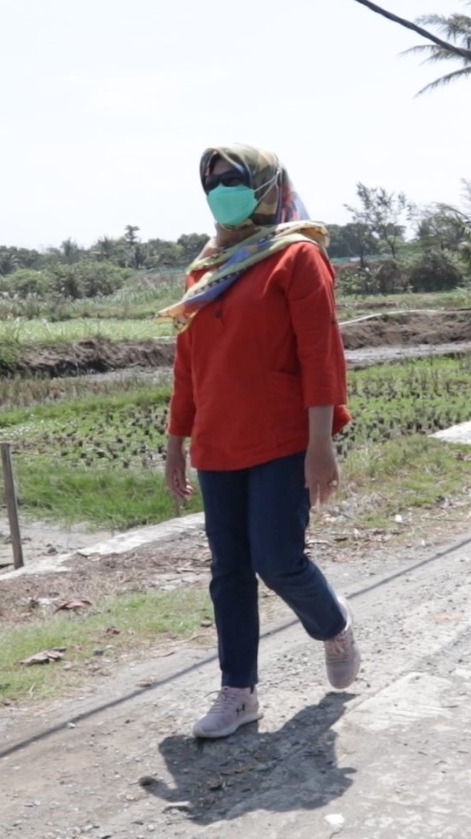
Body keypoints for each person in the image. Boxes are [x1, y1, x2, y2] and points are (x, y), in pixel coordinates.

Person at [160, 143, 361, 739]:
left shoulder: (297, 256)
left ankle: (333, 625)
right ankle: (238, 692)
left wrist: (320, 443)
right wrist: (176, 441)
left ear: (267, 184)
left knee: (278, 559)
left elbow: (319, 355)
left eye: (233, 179)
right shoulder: (205, 270)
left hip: (282, 439)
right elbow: (187, 366)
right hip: (218, 444)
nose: (222, 189)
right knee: (229, 570)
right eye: (213, 182)